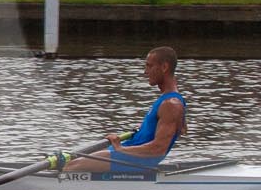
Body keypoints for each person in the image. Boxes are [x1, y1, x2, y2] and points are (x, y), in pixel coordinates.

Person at [56, 47, 186, 175]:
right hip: (132, 153)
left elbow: (159, 149)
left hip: (138, 160)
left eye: (149, 66)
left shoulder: (171, 104)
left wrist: (121, 149)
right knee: (67, 161)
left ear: (164, 67)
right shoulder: (172, 101)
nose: (145, 72)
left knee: (70, 166)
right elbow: (181, 129)